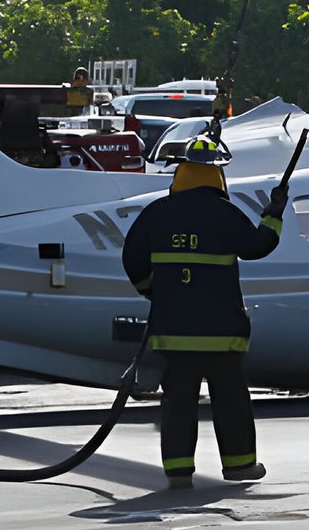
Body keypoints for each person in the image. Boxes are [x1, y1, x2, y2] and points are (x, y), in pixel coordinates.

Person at [121, 134, 285, 490]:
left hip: (173, 331)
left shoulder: (157, 214)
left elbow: (132, 259)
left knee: (178, 402)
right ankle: (240, 466)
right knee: (230, 401)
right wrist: (274, 214)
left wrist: (153, 292)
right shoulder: (224, 213)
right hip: (221, 333)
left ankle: (178, 472)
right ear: (216, 175)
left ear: (181, 172)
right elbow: (258, 246)